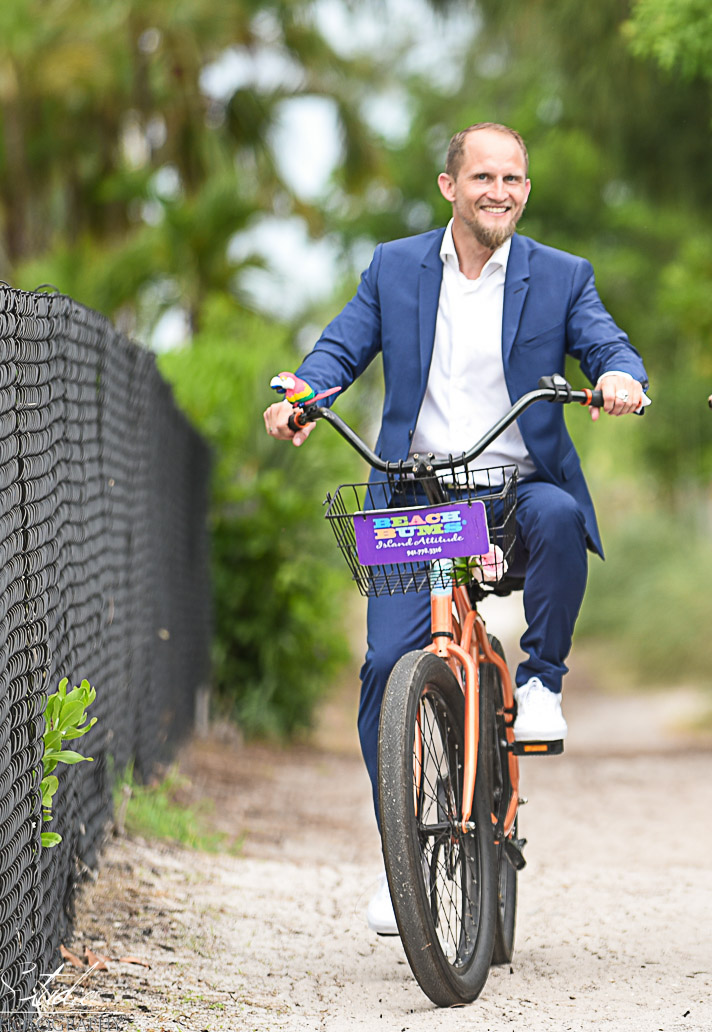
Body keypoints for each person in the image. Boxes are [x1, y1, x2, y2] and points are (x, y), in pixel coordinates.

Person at [263, 122, 649, 933]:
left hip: (511, 495)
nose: (498, 191)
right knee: (381, 667)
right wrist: (305, 393)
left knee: (559, 513)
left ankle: (541, 680)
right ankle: (398, 856)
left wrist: (618, 376)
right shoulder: (395, 266)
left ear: (526, 190)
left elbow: (606, 343)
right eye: (483, 177)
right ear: (450, 187)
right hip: (414, 500)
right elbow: (341, 350)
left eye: (512, 178)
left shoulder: (562, 276)